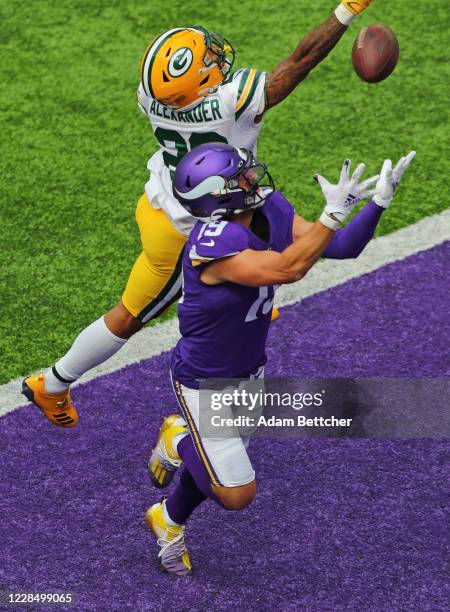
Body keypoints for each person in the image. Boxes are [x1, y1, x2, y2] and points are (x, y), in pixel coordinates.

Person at [22, 1, 376, 427]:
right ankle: (55, 384)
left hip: (193, 198)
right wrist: (346, 11)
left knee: (282, 247)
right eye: (206, 60)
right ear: (200, 85)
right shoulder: (230, 103)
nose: (214, 57)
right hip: (190, 226)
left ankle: (242, 302)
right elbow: (300, 62)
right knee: (130, 316)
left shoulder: (151, 98)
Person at [144, 142, 415, 575]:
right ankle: (178, 438)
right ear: (219, 196)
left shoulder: (268, 210)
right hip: (204, 379)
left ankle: (168, 519)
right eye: (241, 177)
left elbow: (340, 247)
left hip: (250, 371)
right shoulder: (213, 241)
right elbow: (288, 269)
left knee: (218, 467)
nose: (253, 178)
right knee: (237, 493)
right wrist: (330, 215)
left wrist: (379, 202)